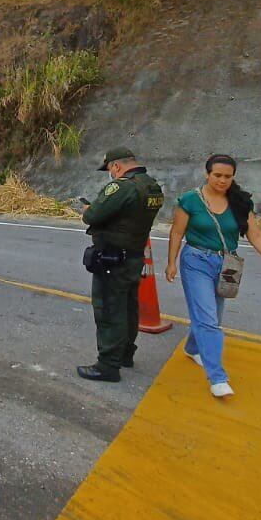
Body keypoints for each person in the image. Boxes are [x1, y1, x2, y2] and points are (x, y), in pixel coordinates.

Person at [165, 154, 261, 398]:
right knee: (207, 318)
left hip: (227, 264)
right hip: (196, 260)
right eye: (217, 175)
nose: (222, 181)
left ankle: (193, 348)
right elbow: (177, 232)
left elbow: (256, 235)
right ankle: (218, 378)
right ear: (207, 174)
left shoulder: (239, 202)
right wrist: (171, 262)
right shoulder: (191, 200)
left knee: (213, 314)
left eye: (228, 176)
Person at [76, 147, 164, 383]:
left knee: (109, 310)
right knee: (127, 308)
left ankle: (107, 365)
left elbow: (92, 216)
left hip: (112, 259)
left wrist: (88, 209)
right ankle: (125, 353)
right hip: (133, 256)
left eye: (110, 169)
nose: (111, 174)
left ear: (116, 166)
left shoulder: (121, 187)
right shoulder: (152, 186)